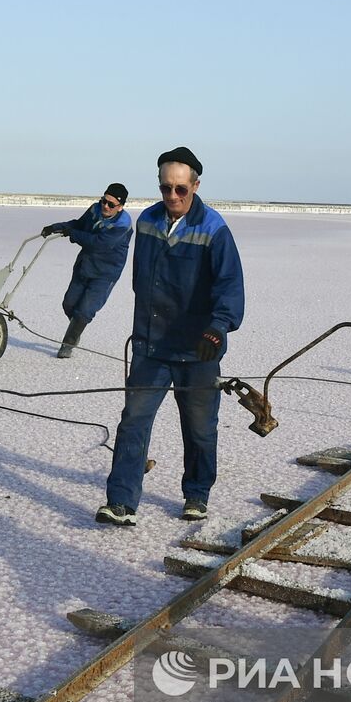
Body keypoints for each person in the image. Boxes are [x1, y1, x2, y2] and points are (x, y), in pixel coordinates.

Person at [96, 147, 244, 526]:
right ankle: (121, 502)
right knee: (133, 421)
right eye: (166, 189)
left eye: (181, 189)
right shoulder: (147, 221)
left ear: (195, 185)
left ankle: (196, 494)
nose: (173, 197)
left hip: (199, 348)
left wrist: (217, 328)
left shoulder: (213, 228)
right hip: (152, 345)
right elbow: (142, 280)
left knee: (199, 428)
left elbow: (229, 286)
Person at [42, 183, 134, 358]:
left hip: (106, 273)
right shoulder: (95, 210)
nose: (105, 206)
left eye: (111, 204)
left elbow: (99, 244)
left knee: (84, 311)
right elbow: (79, 224)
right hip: (85, 266)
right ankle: (76, 329)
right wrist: (57, 226)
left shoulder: (123, 224)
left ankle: (67, 345)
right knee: (69, 304)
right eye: (103, 201)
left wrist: (72, 234)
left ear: (120, 207)